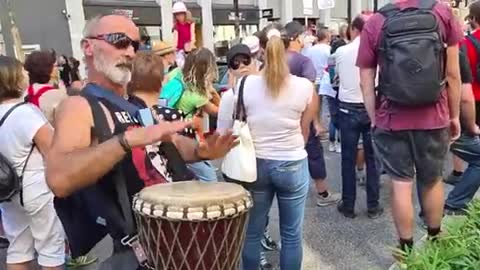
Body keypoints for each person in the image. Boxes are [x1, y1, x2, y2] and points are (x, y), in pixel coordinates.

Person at [46, 15, 236, 269]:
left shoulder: (137, 106)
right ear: (88, 47)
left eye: (135, 45)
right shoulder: (79, 106)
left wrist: (201, 150)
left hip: (178, 234)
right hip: (138, 248)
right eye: (119, 41)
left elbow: (168, 145)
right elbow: (59, 179)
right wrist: (124, 141)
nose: (129, 51)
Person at [357, 0, 462, 256]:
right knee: (432, 179)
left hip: (392, 117)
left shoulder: (377, 21)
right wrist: (455, 115)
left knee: (401, 183)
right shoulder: (442, 13)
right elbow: (453, 74)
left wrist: (374, 116)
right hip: (434, 115)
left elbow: (366, 80)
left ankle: (406, 248)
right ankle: (435, 238)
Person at [232, 35, 315, 270]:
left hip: (256, 163)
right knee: (291, 235)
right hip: (292, 162)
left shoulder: (245, 84)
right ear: (286, 55)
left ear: (261, 55)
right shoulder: (304, 86)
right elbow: (305, 128)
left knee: (252, 232)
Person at [0, 55, 65, 270]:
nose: (26, 74)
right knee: (50, 249)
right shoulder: (26, 113)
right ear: (12, 79)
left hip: (6, 190)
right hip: (35, 188)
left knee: (18, 247)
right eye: (21, 72)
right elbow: (52, 151)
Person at [284, 20, 341, 207]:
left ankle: (288, 191)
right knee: (313, 152)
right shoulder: (303, 61)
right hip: (301, 115)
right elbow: (311, 94)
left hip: (281, 115)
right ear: (298, 37)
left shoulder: (275, 60)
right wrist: (315, 121)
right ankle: (322, 193)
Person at [332, 15, 382, 219]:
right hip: (371, 108)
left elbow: (337, 78)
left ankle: (349, 204)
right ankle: (373, 205)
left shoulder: (341, 51)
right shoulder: (378, 51)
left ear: (354, 29)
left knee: (347, 159)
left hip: (347, 109)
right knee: (373, 159)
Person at [174, 48, 221, 182]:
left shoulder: (179, 78)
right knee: (210, 178)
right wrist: (214, 93)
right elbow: (220, 112)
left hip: (176, 136)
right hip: (186, 140)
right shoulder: (196, 96)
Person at [305, 28, 340, 153]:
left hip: (314, 79)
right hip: (325, 80)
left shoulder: (310, 50)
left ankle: (316, 127)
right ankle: (320, 128)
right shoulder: (327, 50)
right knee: (322, 107)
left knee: (314, 106)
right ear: (326, 37)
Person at [24, 50, 68, 124]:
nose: (57, 69)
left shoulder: (22, 93)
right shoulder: (58, 95)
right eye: (55, 66)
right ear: (49, 70)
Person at [172, 1, 196, 68]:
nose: (178, 16)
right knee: (181, 66)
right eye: (176, 15)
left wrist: (190, 48)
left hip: (189, 49)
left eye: (180, 14)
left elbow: (193, 36)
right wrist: (173, 51)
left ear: (185, 13)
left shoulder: (191, 23)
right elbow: (175, 41)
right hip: (179, 51)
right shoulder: (176, 26)